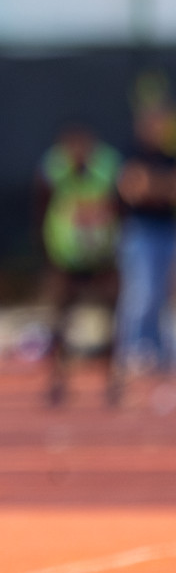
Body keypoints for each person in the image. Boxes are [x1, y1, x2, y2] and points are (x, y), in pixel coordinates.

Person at [34, 124, 121, 406]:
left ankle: (112, 382)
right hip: (65, 258)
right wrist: (49, 253)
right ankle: (57, 382)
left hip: (102, 258)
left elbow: (119, 208)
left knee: (111, 321)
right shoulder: (53, 171)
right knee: (60, 322)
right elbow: (42, 210)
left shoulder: (108, 170)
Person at [114, 98, 176, 375]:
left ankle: (159, 350)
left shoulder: (169, 155)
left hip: (167, 229)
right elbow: (133, 189)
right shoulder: (132, 153)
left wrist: (154, 185)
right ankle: (133, 348)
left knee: (164, 293)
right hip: (140, 231)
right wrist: (158, 187)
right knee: (141, 293)